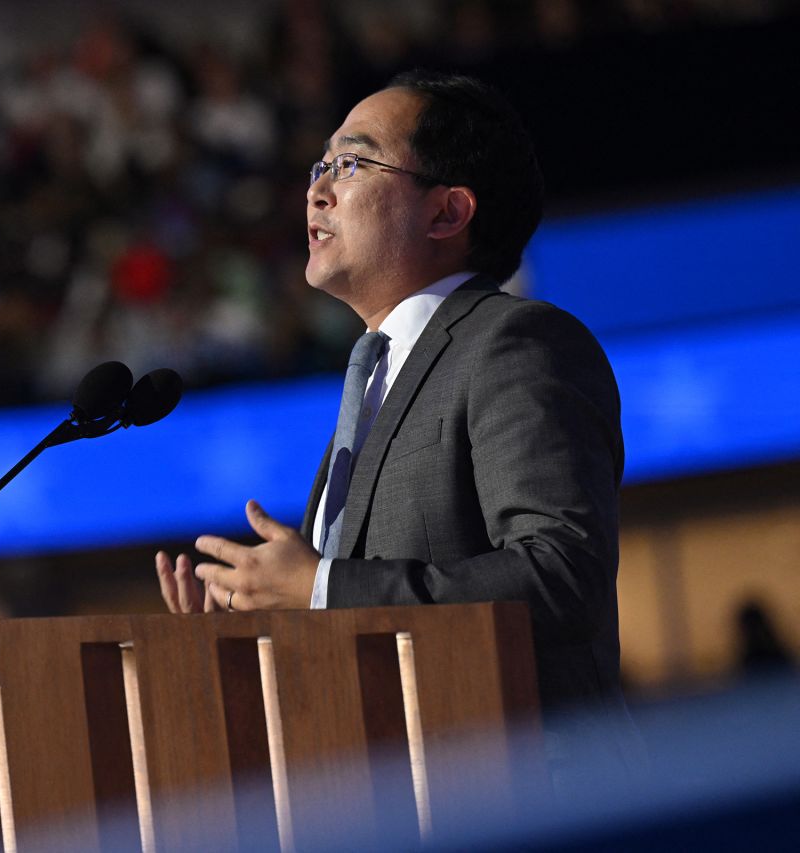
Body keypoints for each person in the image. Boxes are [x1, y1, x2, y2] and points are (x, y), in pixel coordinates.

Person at [155, 70, 643, 786]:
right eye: (321, 166)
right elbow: (357, 631)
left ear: (447, 212)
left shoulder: (519, 342)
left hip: (530, 798)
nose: (316, 191)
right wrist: (252, 633)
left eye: (351, 163)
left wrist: (320, 587)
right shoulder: (373, 384)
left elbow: (561, 575)